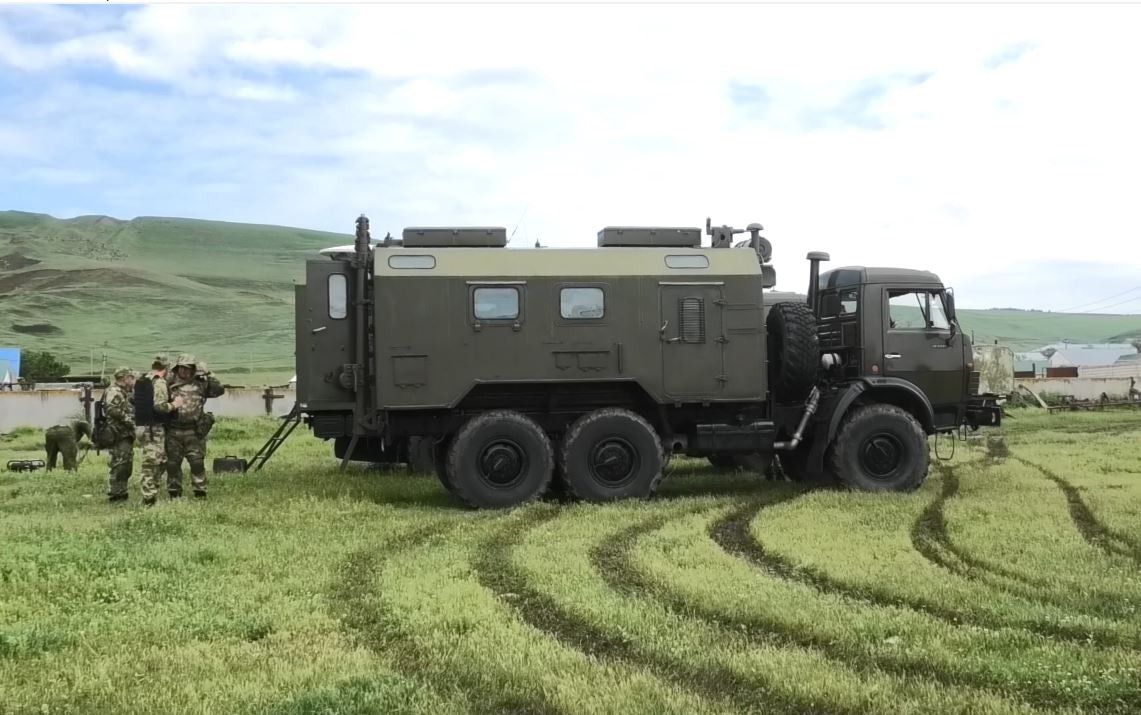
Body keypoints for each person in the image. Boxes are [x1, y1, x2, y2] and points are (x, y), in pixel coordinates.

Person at [165, 354, 224, 499]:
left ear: (193, 369)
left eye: (188, 368)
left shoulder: (201, 384)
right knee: (173, 464)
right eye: (181, 368)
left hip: (194, 431)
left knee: (197, 462)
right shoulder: (169, 384)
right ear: (177, 369)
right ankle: (174, 492)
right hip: (173, 430)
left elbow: (219, 390)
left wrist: (209, 374)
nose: (184, 372)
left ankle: (200, 491)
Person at [137, 355, 183, 507]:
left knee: (159, 461)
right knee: (152, 463)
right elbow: (159, 407)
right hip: (153, 428)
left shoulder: (142, 380)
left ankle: (151, 492)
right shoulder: (159, 382)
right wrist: (175, 405)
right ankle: (148, 498)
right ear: (167, 368)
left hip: (143, 426)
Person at [102, 367, 137, 503]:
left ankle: (121, 492)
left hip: (124, 434)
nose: (132, 380)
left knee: (125, 464)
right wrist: (130, 421)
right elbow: (112, 410)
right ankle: (116, 494)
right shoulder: (114, 391)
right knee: (119, 464)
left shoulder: (124, 392)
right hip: (117, 434)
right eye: (131, 377)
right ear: (123, 378)